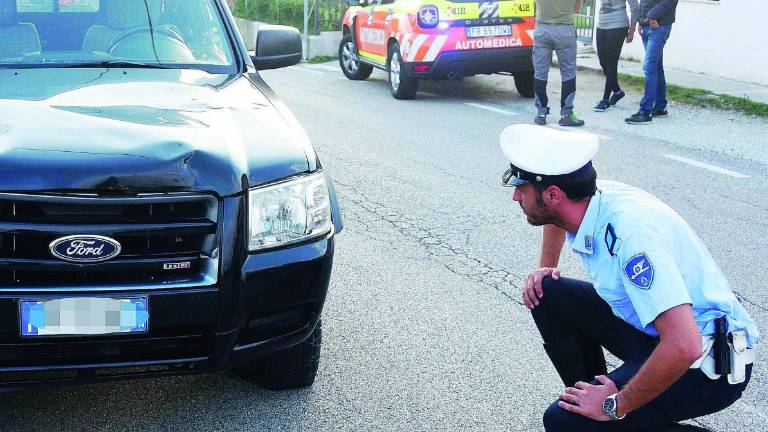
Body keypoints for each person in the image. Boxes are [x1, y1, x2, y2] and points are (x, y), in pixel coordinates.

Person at [499, 124, 759, 431]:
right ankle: (592, 401)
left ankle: (604, 415)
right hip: (654, 333)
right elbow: (554, 216)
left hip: (703, 366)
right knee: (544, 291)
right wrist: (546, 266)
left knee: (564, 421)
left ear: (553, 194)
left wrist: (615, 405)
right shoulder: (586, 197)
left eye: (521, 187)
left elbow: (684, 345)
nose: (516, 195)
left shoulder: (631, 238)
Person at [532, 0, 585, 127]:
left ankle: (541, 113)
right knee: (568, 73)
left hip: (543, 29)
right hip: (565, 31)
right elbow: (577, 9)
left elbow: (535, 6)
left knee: (540, 73)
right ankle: (566, 114)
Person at [625, 0, 678, 124]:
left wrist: (651, 16)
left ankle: (645, 112)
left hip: (659, 26)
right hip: (647, 25)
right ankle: (660, 107)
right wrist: (641, 21)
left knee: (649, 67)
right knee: (656, 67)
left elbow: (670, 2)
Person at [594, 0, 639, 112]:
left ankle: (605, 100)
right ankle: (617, 92)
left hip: (618, 25)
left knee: (611, 63)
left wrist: (632, 30)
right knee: (602, 61)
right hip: (602, 24)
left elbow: (634, 7)